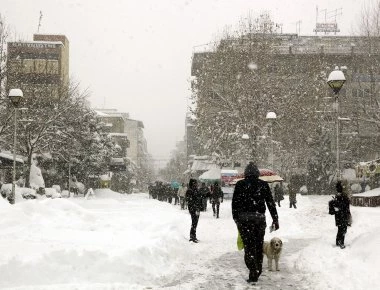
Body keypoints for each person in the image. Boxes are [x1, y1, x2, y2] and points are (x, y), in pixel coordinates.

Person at [232, 162, 279, 284]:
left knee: (248, 246)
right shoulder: (263, 185)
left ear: (246, 173)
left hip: (244, 221)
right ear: (257, 173)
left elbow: (235, 204)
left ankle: (252, 269)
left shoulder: (240, 184)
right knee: (258, 246)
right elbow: (270, 203)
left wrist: (236, 219)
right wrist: (275, 219)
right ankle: (257, 268)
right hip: (259, 219)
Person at [331, 180, 352, 249]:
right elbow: (343, 206)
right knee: (343, 229)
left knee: (341, 229)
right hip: (342, 215)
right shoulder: (342, 196)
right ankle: (341, 243)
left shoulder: (339, 195)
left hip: (340, 215)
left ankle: (338, 241)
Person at [186, 178, 202, 243]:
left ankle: (194, 236)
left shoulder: (196, 190)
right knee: (194, 222)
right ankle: (192, 236)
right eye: (195, 183)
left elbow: (199, 198)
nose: (196, 184)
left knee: (195, 223)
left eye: (196, 183)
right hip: (193, 209)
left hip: (197, 209)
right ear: (192, 183)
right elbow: (189, 200)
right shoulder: (189, 190)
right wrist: (194, 206)